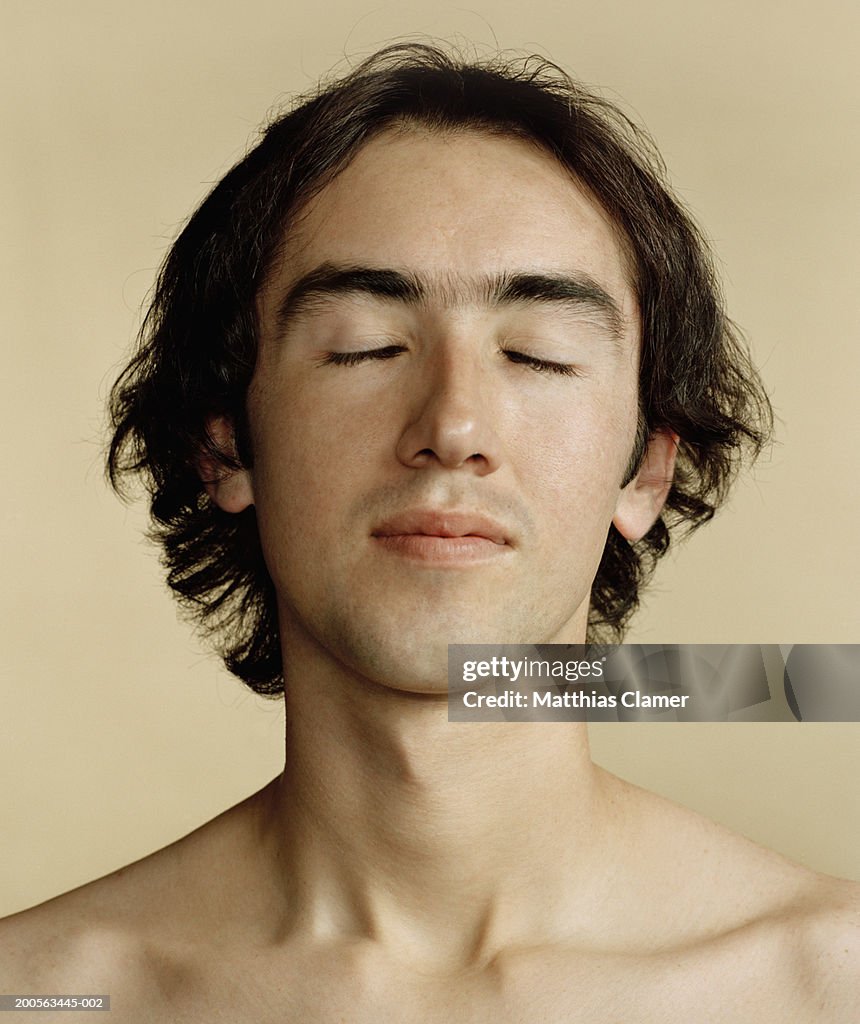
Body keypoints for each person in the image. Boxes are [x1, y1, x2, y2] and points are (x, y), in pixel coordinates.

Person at [1, 43, 857, 1021]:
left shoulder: (828, 984)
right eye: (365, 346)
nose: (451, 428)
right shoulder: (44, 993)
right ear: (226, 445)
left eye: (535, 355)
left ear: (645, 470)